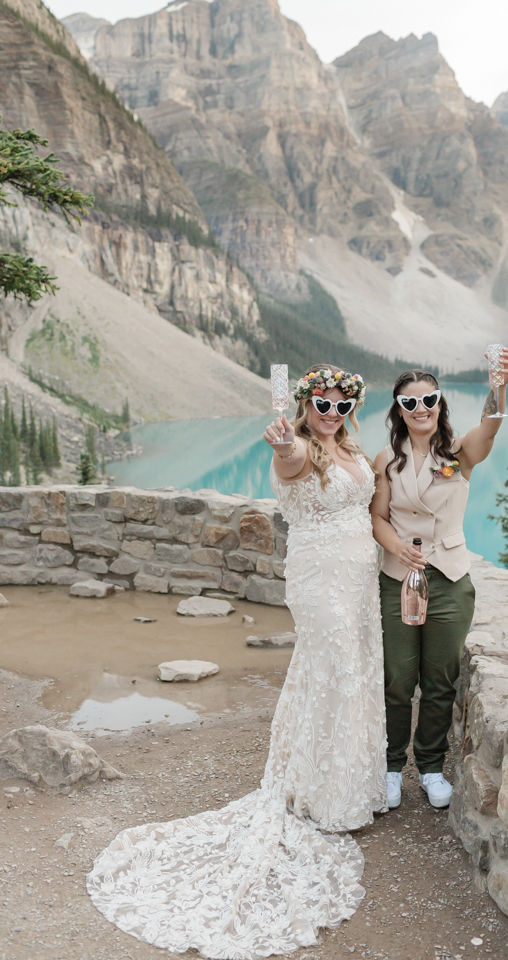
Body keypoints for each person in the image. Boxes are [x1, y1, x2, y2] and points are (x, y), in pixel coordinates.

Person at [87, 364, 386, 960]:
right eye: (321, 404)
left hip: (359, 578)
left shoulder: (351, 447)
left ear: (350, 407)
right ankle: (323, 798)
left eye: (340, 403)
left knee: (353, 673)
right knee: (333, 675)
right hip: (320, 577)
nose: (331, 412)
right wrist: (281, 446)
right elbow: (287, 463)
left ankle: (347, 784)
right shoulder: (297, 445)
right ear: (305, 406)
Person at [370, 349, 508, 810]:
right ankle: (391, 767)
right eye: (409, 403)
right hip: (397, 577)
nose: (421, 409)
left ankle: (430, 767)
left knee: (439, 678)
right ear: (398, 409)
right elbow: (377, 516)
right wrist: (396, 548)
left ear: (440, 402)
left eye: (428, 399)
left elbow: (490, 426)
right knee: (396, 677)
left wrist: (499, 384)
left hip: (450, 577)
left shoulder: (459, 453)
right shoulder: (385, 461)